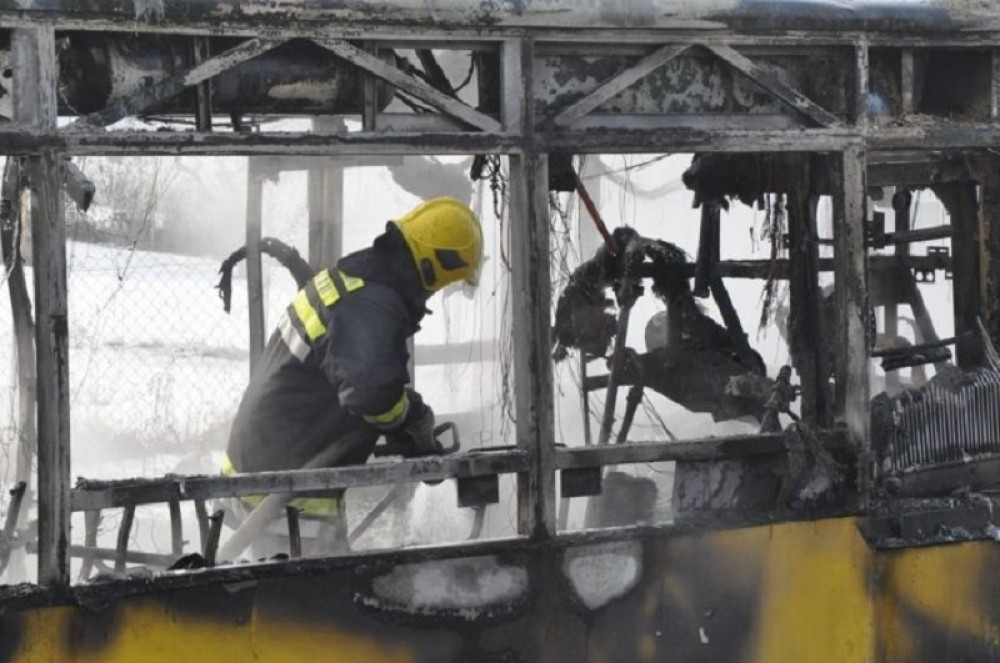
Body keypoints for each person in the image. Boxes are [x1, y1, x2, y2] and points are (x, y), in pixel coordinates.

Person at [223, 196, 483, 528]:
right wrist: (412, 417)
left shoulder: (357, 282)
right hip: (286, 495)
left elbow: (352, 379)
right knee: (323, 580)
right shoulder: (369, 302)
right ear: (434, 266)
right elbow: (371, 392)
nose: (435, 293)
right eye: (447, 281)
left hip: (263, 470)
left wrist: (403, 422)